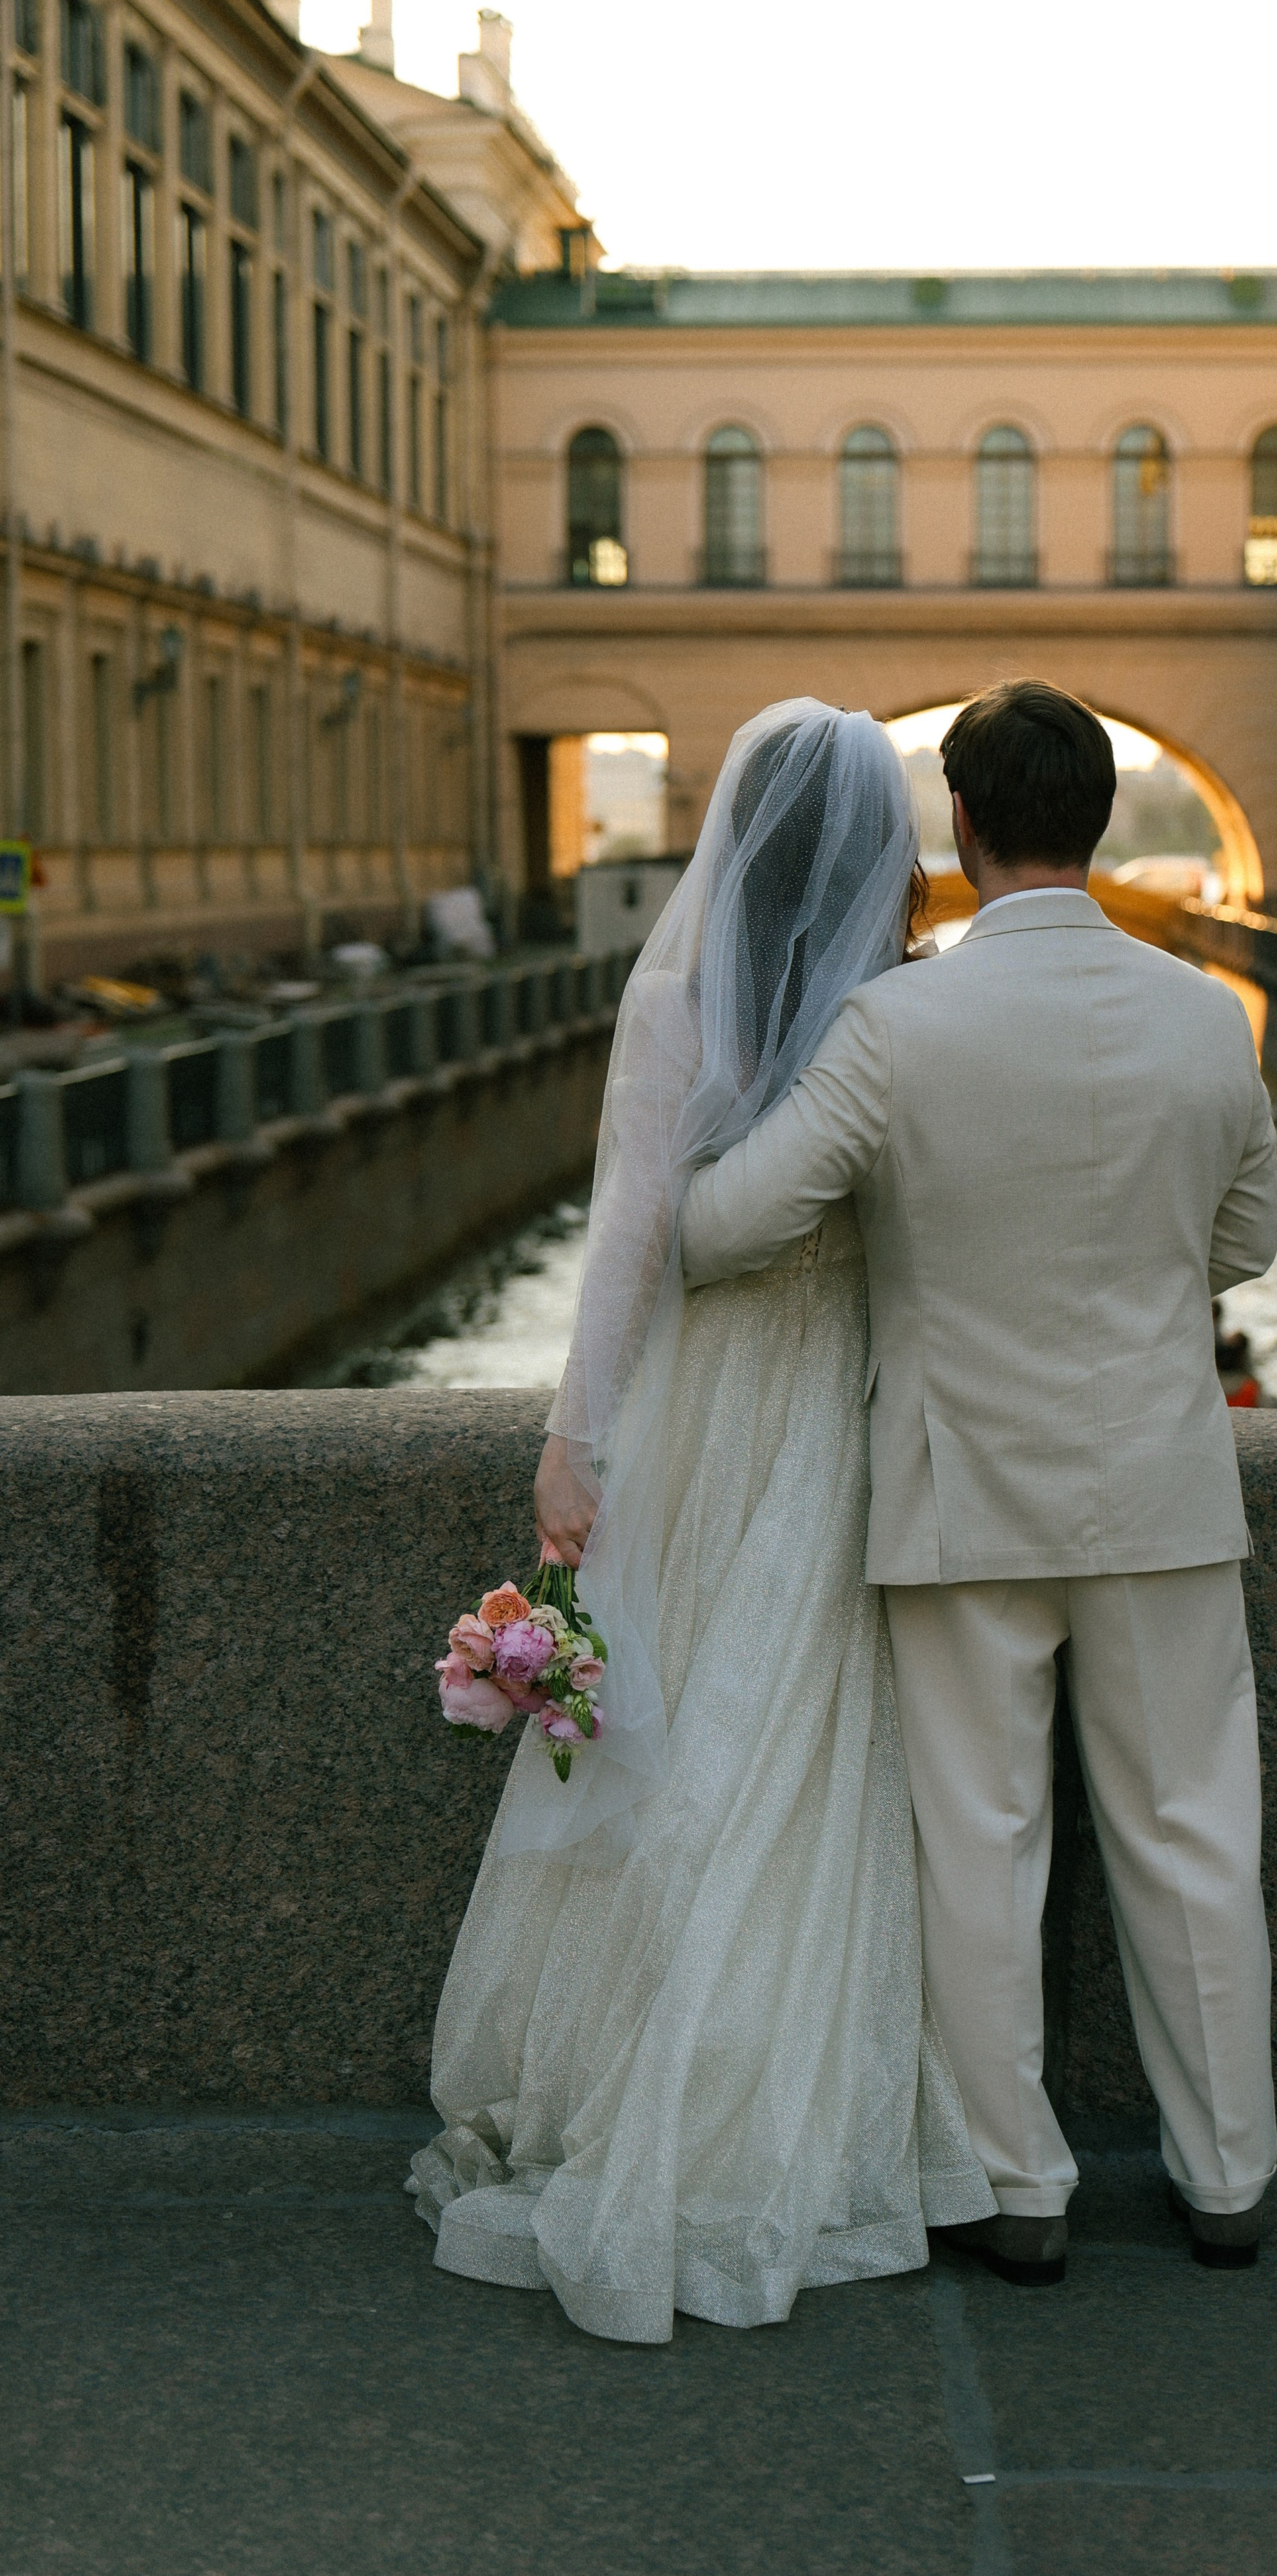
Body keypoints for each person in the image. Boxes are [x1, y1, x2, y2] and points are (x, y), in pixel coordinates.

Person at [678, 680, 1277, 2279]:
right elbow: (1246, 1243)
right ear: (1093, 821)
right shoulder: (1202, 1017)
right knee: (1193, 1832)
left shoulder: (895, 1027)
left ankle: (1021, 2191)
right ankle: (1225, 2177)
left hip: (957, 1497)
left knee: (982, 1839)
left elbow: (727, 1227)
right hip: (1158, 1484)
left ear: (960, 824)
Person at [410, 700, 995, 2343]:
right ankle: (789, 2087)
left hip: (696, 1407)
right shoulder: (901, 1006)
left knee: (671, 1737)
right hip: (845, 1407)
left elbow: (627, 1241)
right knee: (804, 1735)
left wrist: (571, 1443)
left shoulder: (675, 993)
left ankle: (634, 2070)